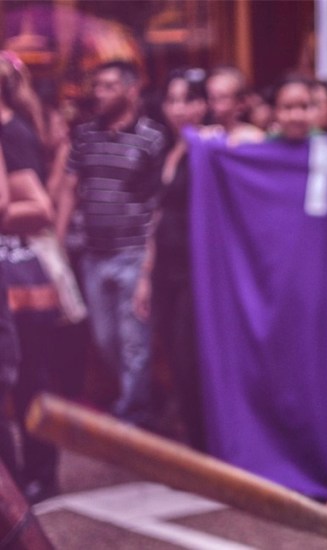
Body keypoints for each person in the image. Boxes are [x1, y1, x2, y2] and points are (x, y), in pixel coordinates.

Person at [57, 60, 167, 429]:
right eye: (97, 86)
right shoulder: (85, 135)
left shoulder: (152, 137)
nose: (99, 93)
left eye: (108, 86)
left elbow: (158, 204)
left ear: (131, 90)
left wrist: (149, 264)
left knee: (135, 341)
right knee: (104, 339)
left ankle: (133, 416)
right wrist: (58, 242)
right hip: (94, 254)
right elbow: (70, 188)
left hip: (134, 253)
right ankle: (145, 398)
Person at [0, 50, 59, 503]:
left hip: (18, 267)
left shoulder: (11, 132)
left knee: (29, 377)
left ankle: (39, 474)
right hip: (9, 267)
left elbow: (41, 209)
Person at [149, 68, 208, 450]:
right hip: (164, 269)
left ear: (202, 105)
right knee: (171, 353)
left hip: (195, 270)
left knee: (190, 360)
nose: (178, 109)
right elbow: (156, 216)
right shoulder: (165, 150)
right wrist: (145, 275)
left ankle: (203, 445)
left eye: (187, 100)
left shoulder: (209, 148)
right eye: (171, 100)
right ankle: (191, 436)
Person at [204, 65, 265, 145]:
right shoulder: (206, 134)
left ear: (241, 103)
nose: (214, 104)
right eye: (211, 97)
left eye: (222, 97)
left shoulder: (254, 138)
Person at [269, 75, 315, 142]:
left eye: (304, 106)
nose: (296, 117)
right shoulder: (264, 143)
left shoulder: (326, 143)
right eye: (288, 107)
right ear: (275, 111)